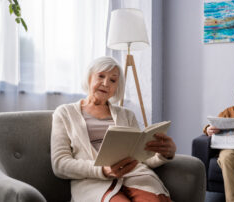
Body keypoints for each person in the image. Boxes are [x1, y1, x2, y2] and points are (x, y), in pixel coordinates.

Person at [51, 56, 176, 202]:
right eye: (101, 76)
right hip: (94, 183)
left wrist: (164, 154)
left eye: (113, 80)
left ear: (117, 87)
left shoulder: (126, 115)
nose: (106, 83)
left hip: (136, 176)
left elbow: (140, 160)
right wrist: (103, 170)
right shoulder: (65, 113)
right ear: (89, 77)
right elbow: (60, 164)